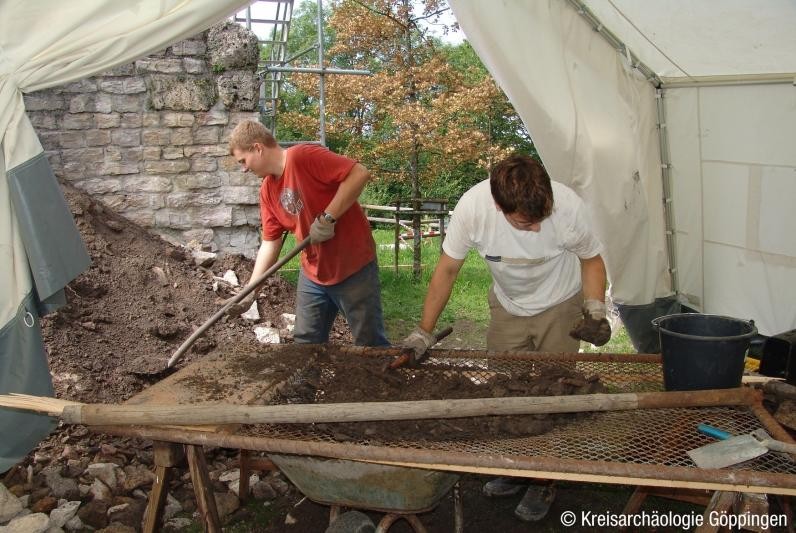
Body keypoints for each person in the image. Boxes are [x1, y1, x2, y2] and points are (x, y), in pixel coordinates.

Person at [401, 153, 611, 522]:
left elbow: (592, 259)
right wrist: (424, 331)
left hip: (561, 304)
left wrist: (594, 309)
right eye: (525, 223)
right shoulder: (473, 209)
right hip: (508, 307)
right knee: (505, 388)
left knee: (553, 391)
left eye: (539, 219)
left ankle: (545, 478)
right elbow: (448, 270)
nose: (534, 229)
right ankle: (515, 467)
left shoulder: (566, 207)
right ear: (499, 206)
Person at [227, 120, 389, 347]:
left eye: (243, 161)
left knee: (369, 342)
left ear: (258, 148)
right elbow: (270, 243)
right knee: (305, 344)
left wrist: (329, 217)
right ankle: (307, 384)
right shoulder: (267, 191)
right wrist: (251, 291)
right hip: (313, 274)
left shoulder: (302, 157)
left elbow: (359, 173)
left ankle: (380, 382)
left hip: (353, 268)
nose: (244, 168)